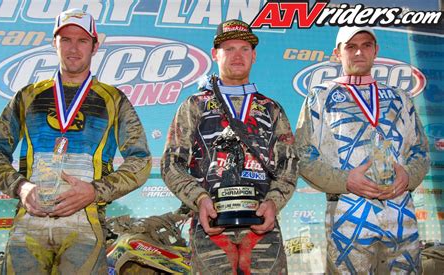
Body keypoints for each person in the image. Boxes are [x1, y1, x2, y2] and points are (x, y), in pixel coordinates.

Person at [0, 8, 151, 274]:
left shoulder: (113, 99)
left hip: (85, 223)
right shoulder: (27, 96)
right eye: (66, 39)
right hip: (30, 222)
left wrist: (96, 190)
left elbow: (140, 160)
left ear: (95, 46)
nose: (73, 48)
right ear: (54, 43)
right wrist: (21, 187)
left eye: (82, 40)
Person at [161, 19, 298, 274]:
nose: (237, 55)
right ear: (215, 55)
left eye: (244, 49)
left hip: (262, 225)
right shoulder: (195, 105)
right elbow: (171, 164)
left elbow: (289, 163)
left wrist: (273, 202)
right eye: (229, 49)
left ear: (254, 56)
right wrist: (199, 199)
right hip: (210, 223)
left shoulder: (271, 108)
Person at [295, 26, 430, 274]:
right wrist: (346, 181)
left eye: (366, 45)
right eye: (350, 46)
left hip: (400, 211)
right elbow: (302, 156)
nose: (359, 52)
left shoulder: (400, 97)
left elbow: (420, 151)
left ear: (376, 50)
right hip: (348, 209)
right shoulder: (320, 97)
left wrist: (408, 176)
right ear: (337, 53)